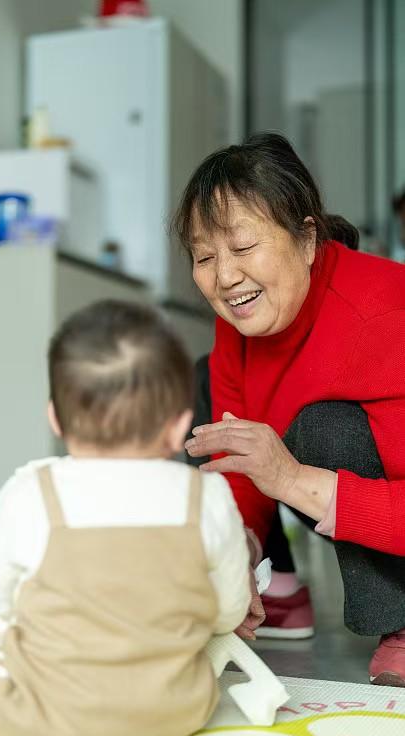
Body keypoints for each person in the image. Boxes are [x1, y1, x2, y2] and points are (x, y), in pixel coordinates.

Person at [0, 299, 251, 736]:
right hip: (178, 709)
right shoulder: (207, 495)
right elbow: (229, 609)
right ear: (180, 425)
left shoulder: (31, 492)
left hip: (51, 711)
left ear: (55, 419)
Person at [178, 132, 405, 687]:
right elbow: (240, 462)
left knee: (326, 425)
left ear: (306, 238)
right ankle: (275, 583)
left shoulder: (385, 317)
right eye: (204, 257)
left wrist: (291, 478)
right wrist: (236, 555)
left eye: (242, 247)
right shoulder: (239, 324)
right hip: (334, 491)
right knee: (210, 401)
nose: (224, 277)